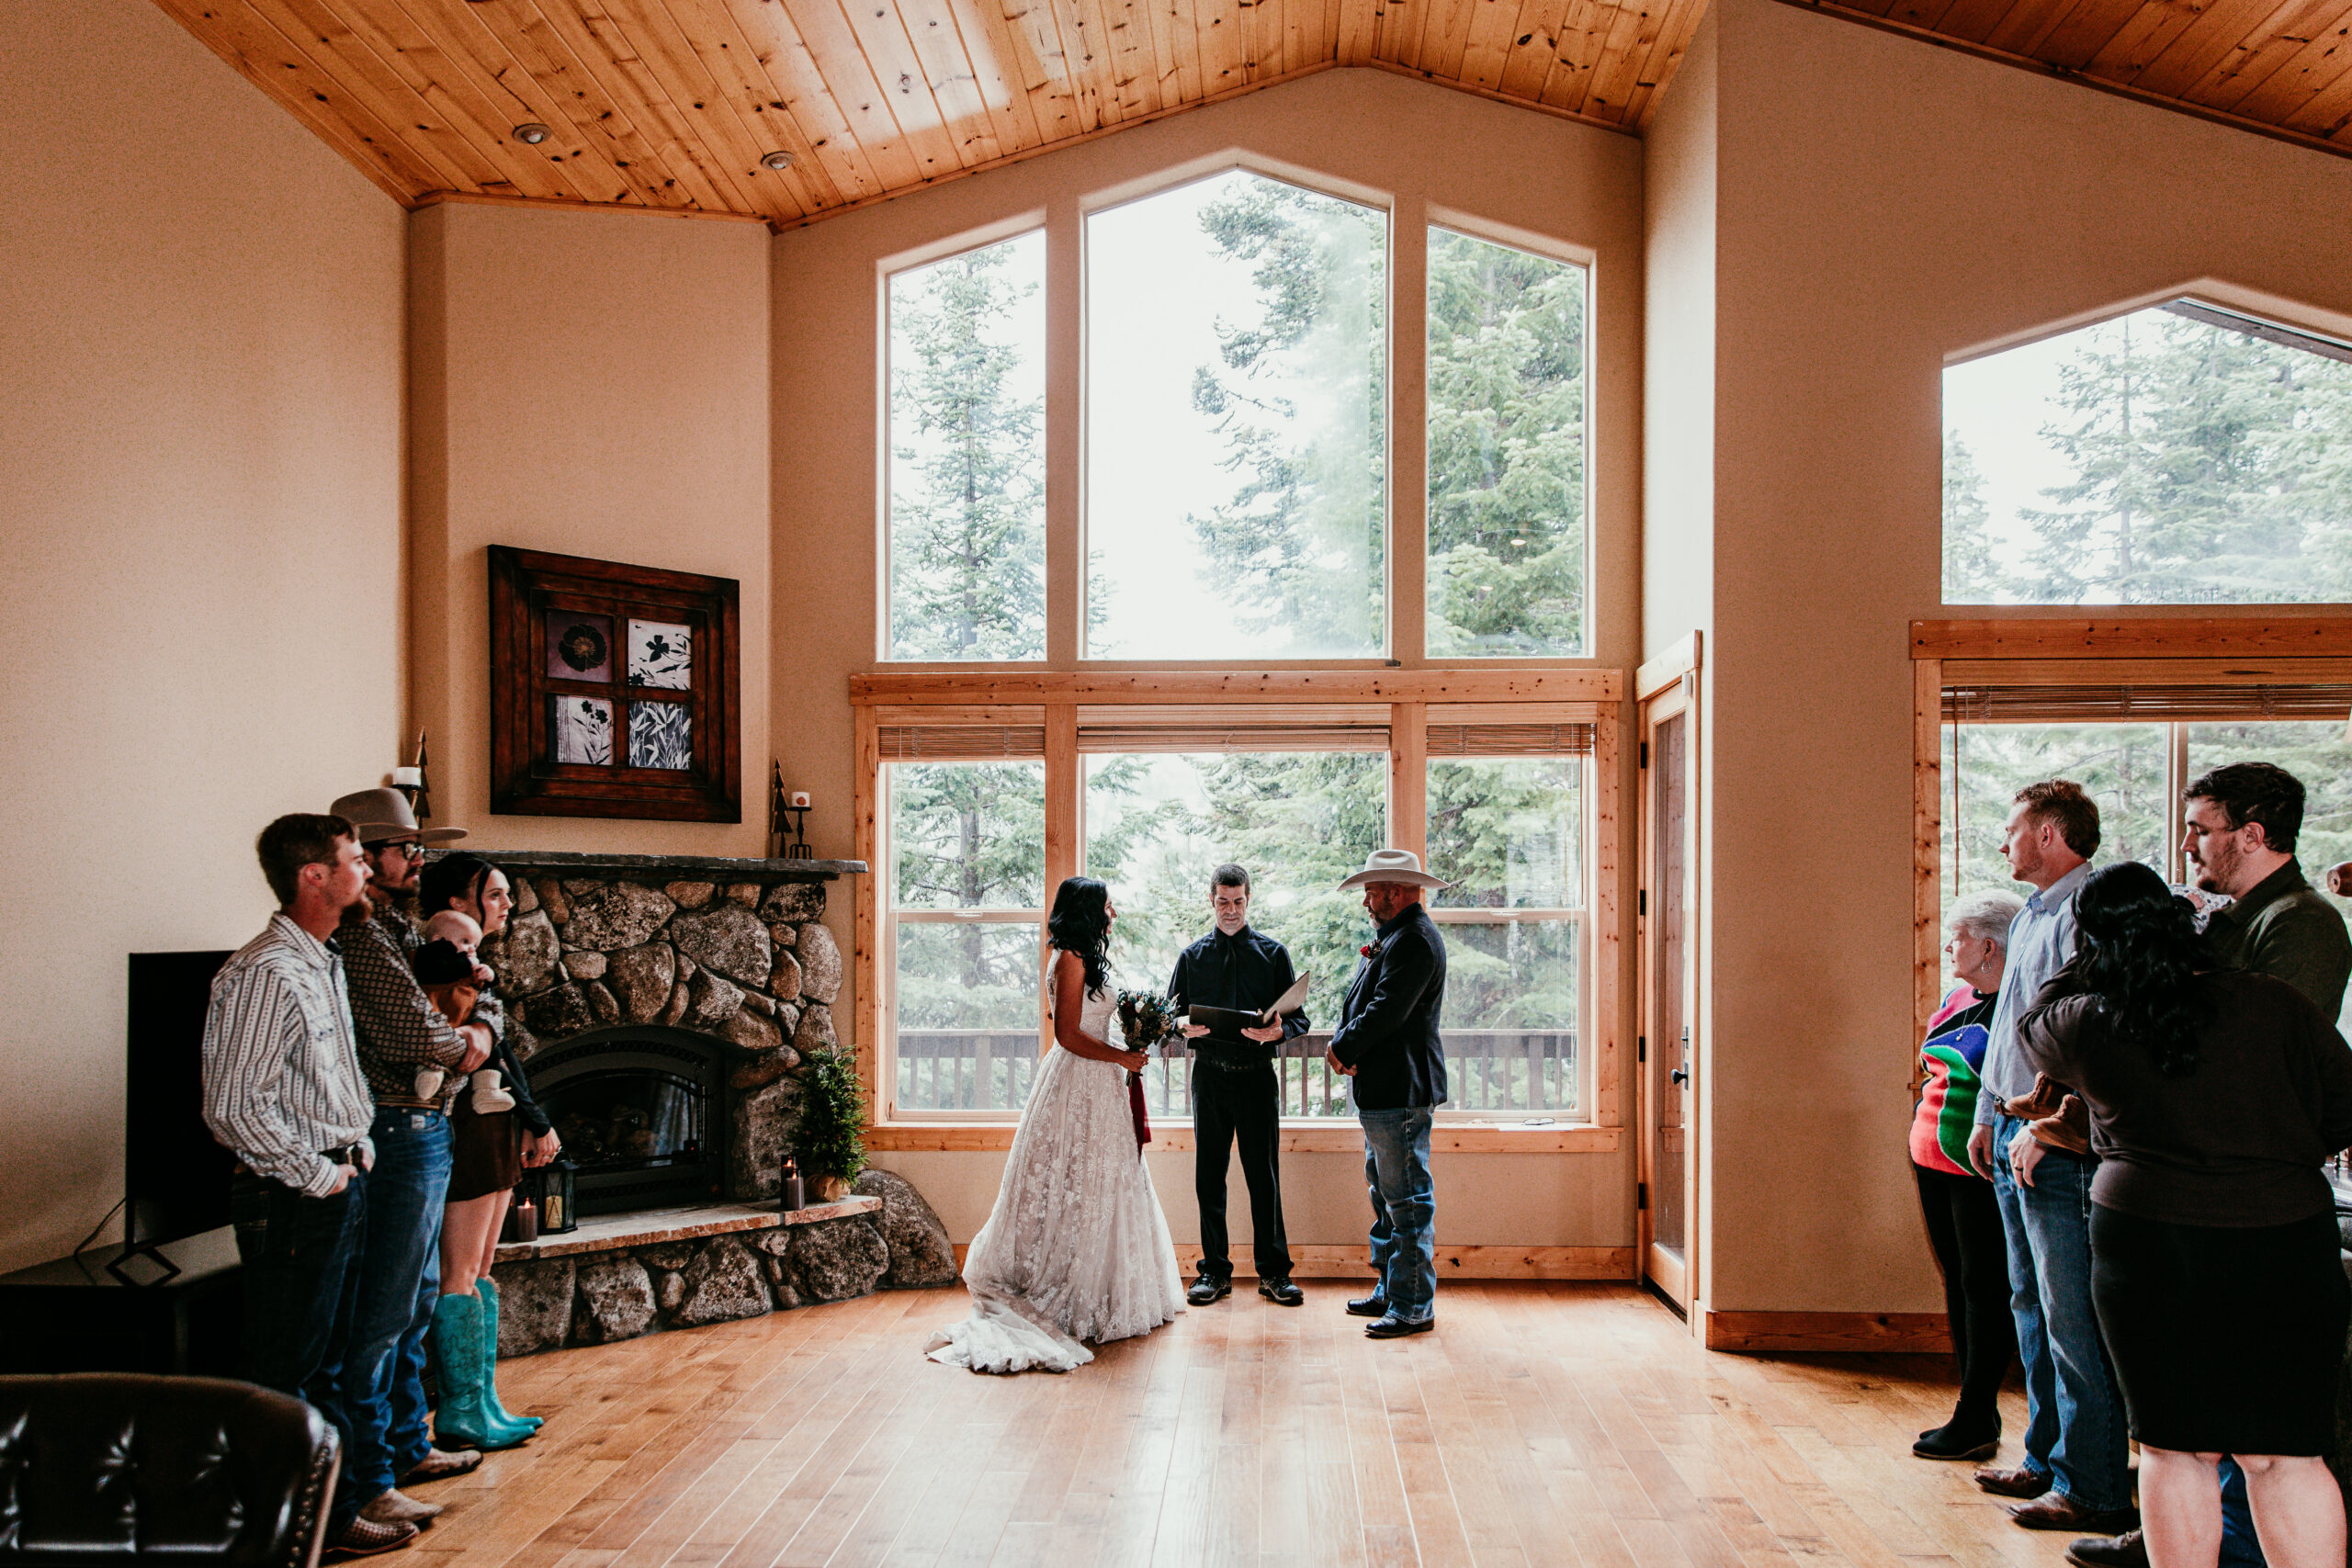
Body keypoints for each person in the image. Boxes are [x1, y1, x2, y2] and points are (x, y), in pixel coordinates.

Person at [2018, 862, 2352, 1568]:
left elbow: (2031, 1021)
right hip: (2286, 1235)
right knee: (2286, 1449)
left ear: (2096, 944)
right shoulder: (2275, 1001)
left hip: (2150, 1243)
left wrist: (2093, 952)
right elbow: (2345, 1110)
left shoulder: (2093, 1019)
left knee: (2176, 1444)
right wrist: (2272, 1160)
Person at [201, 815, 411, 1557]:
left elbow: (319, 1076)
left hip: (335, 1182)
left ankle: (333, 1513)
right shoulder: (265, 971)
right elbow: (233, 1105)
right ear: (314, 876)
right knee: (288, 1371)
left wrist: (356, 1146)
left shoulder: (321, 959)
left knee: (324, 1360)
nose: (369, 869)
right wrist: (319, 1173)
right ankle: (293, 1531)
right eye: (356, 858)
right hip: (294, 1198)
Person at [323, 786, 502, 1534]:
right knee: (385, 1312)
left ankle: (405, 1444)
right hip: (397, 1129)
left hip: (422, 1124)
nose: (415, 858)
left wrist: (478, 1028)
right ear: (366, 856)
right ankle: (370, 1478)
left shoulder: (400, 929)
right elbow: (414, 1036)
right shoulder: (365, 939)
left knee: (416, 1298)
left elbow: (461, 1016)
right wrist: (473, 1039)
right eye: (402, 848)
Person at [926, 876, 1185, 1373]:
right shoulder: (1068, 959)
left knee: (1106, 1181)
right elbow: (1067, 1034)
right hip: (1077, 1080)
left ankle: (1108, 1286)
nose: (1114, 910)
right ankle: (1067, 1283)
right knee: (1073, 1180)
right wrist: (1121, 1057)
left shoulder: (1085, 958)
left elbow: (1094, 1017)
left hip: (1103, 1082)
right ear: (1090, 911)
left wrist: (1139, 1026)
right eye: (1108, 904)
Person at [1965, 782, 2136, 1534]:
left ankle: (2092, 1485)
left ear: (2052, 833)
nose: (2004, 842)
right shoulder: (2031, 913)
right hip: (2009, 1128)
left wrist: (2049, 1124)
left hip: (2056, 1144)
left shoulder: (2087, 912)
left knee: (2072, 1317)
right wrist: (1987, 1113)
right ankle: (2043, 1456)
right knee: (2028, 1304)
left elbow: (2093, 1032)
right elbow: (2010, 1022)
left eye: (2013, 830)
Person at [419, 851, 556, 1448]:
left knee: (482, 1271)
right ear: (458, 902)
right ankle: (460, 1409)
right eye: (495, 894)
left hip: (492, 1123)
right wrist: (538, 1119)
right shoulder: (439, 966)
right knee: (461, 1272)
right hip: (469, 1125)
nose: (508, 905)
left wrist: (529, 1120)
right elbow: (484, 1050)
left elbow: (500, 1051)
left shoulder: (475, 971)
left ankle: (484, 1400)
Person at [1910, 889, 2024, 1461]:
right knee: (1957, 1281)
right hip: (1930, 1160)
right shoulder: (1957, 997)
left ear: (1987, 945)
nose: (1948, 946)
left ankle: (1980, 1411)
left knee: (1985, 1286)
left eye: (1956, 937)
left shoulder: (2018, 1005)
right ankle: (1969, 1404)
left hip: (1976, 1167)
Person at [1169, 864, 1310, 1309]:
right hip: (1209, 1078)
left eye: (1239, 902)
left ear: (1249, 900)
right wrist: (1180, 1027)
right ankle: (1213, 1272)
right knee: (1209, 1178)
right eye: (1223, 902)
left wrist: (1278, 1033)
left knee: (1263, 1178)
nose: (1231, 910)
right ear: (1211, 900)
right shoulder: (1191, 957)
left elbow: (1300, 1019)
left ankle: (1274, 1274)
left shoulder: (1274, 954)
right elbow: (1167, 1019)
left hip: (1256, 1080)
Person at [1326, 849, 1450, 1340]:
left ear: (1395, 893)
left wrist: (1341, 1047)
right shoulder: (1398, 937)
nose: (1366, 902)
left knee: (1407, 1202)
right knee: (1385, 1195)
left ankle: (1414, 1305)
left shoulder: (1415, 941)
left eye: (1371, 892)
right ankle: (1391, 1288)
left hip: (1401, 1088)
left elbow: (1386, 1012)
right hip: (1384, 1089)